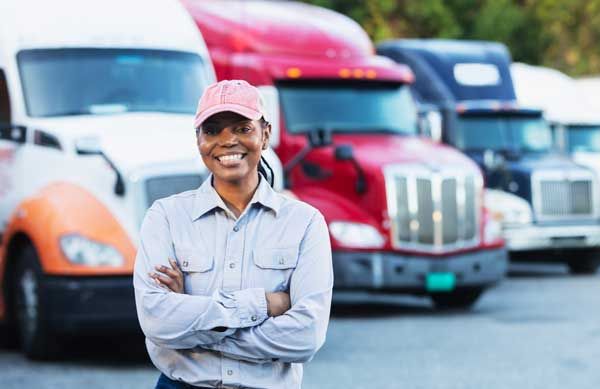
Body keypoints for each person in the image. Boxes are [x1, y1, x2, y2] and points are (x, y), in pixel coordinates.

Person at [133, 79, 334, 389]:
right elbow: (157, 322)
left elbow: (305, 337)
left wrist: (194, 326)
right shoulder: (165, 218)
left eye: (242, 128)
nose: (226, 141)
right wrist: (263, 305)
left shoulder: (305, 223)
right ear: (197, 139)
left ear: (265, 135)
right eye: (212, 130)